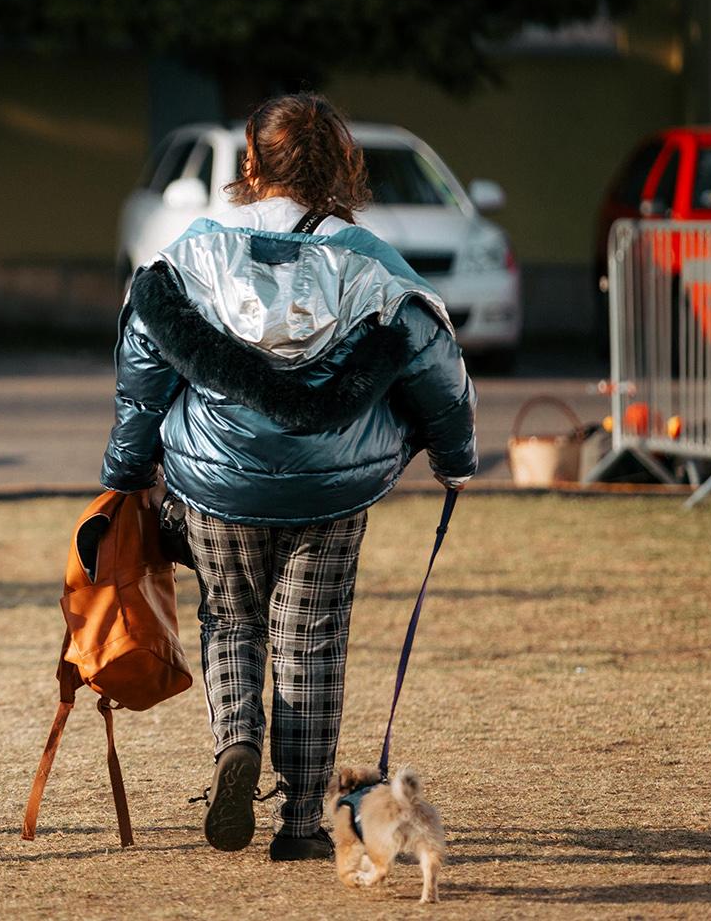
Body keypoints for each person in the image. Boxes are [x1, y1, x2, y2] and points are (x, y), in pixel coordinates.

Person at [100, 93, 476, 861]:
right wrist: (455, 459)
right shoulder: (371, 261)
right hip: (330, 490)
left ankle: (236, 742)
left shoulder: (193, 252)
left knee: (230, 618)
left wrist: (127, 469)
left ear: (250, 165)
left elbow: (144, 365)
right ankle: (301, 820)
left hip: (216, 485)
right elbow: (438, 366)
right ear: (340, 168)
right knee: (311, 643)